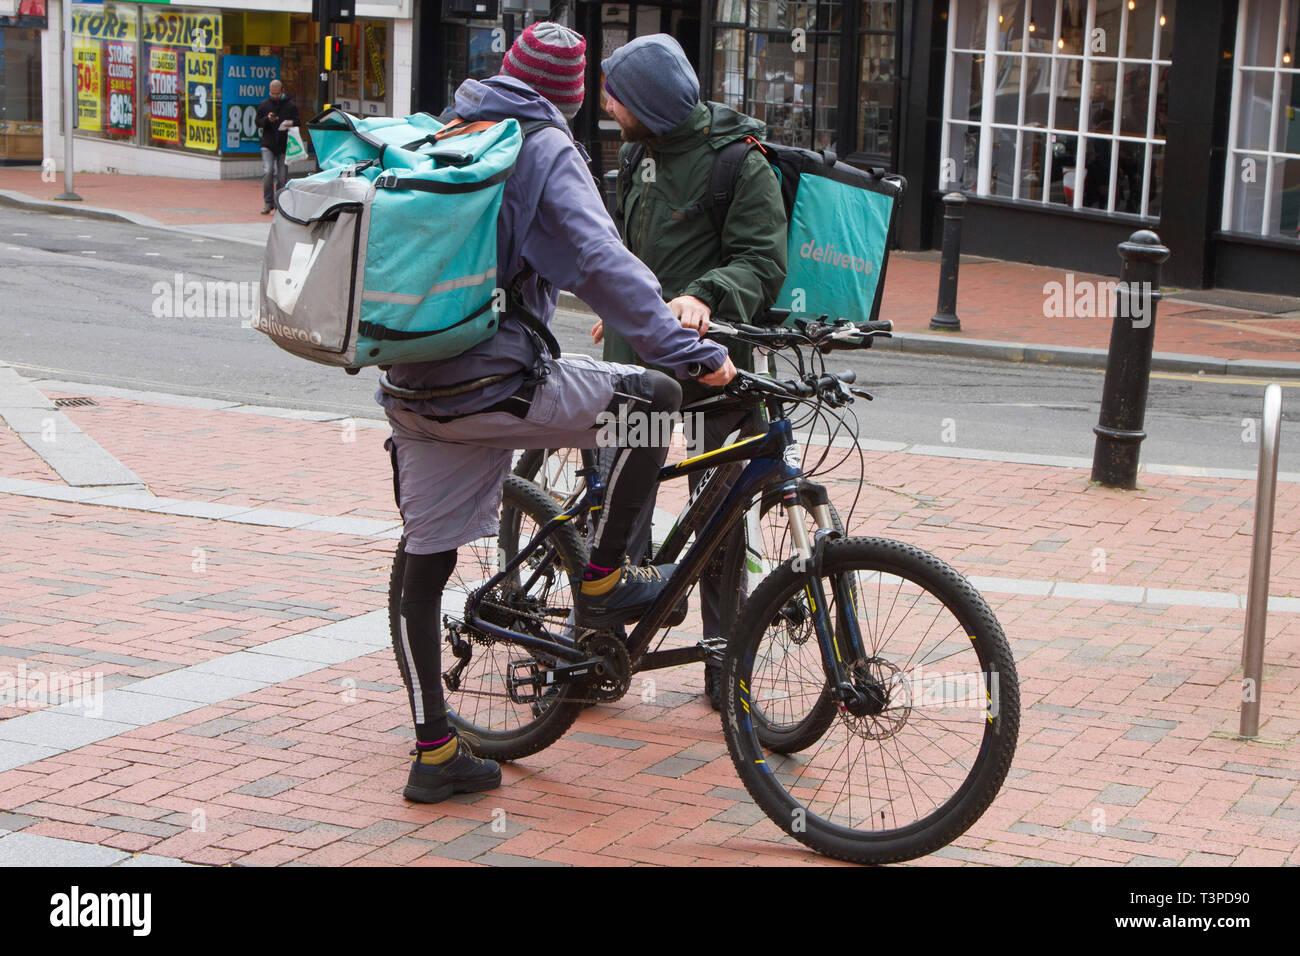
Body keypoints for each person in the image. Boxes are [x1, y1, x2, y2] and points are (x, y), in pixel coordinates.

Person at [378, 22, 735, 804]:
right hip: (494, 385)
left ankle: (434, 753)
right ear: (571, 100)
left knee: (423, 559)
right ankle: (604, 581)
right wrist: (692, 351)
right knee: (654, 399)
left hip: (414, 390)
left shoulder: (456, 125)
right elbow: (602, 264)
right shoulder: (542, 146)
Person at [592, 34, 787, 708]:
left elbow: (762, 262)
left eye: (617, 93)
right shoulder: (637, 152)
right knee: (622, 506)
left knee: (722, 514)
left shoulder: (739, 163)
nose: (607, 102)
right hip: (635, 363)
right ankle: (601, 648)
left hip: (712, 366)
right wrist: (618, 308)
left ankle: (722, 657)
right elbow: (623, 244)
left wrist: (705, 296)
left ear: (648, 102)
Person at [255, 80, 299, 215]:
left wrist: (289, 123)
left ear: (282, 91)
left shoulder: (290, 105)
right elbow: (257, 122)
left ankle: (279, 203)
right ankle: (268, 203)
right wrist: (268, 120)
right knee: (268, 171)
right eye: (272, 93)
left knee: (282, 176)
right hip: (268, 143)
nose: (274, 96)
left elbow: (298, 121)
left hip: (283, 144)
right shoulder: (264, 105)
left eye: (277, 93)